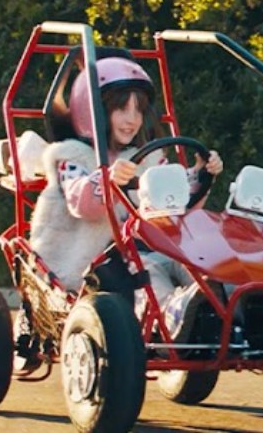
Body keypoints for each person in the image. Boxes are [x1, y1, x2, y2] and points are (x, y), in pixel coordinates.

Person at [30, 55, 221, 313]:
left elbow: (175, 201)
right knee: (146, 269)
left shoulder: (145, 156)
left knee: (192, 259)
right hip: (98, 261)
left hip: (146, 247)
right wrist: (107, 181)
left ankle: (221, 306)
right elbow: (82, 203)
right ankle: (171, 313)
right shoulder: (72, 158)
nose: (132, 119)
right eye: (122, 109)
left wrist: (202, 173)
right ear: (92, 111)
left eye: (139, 110)